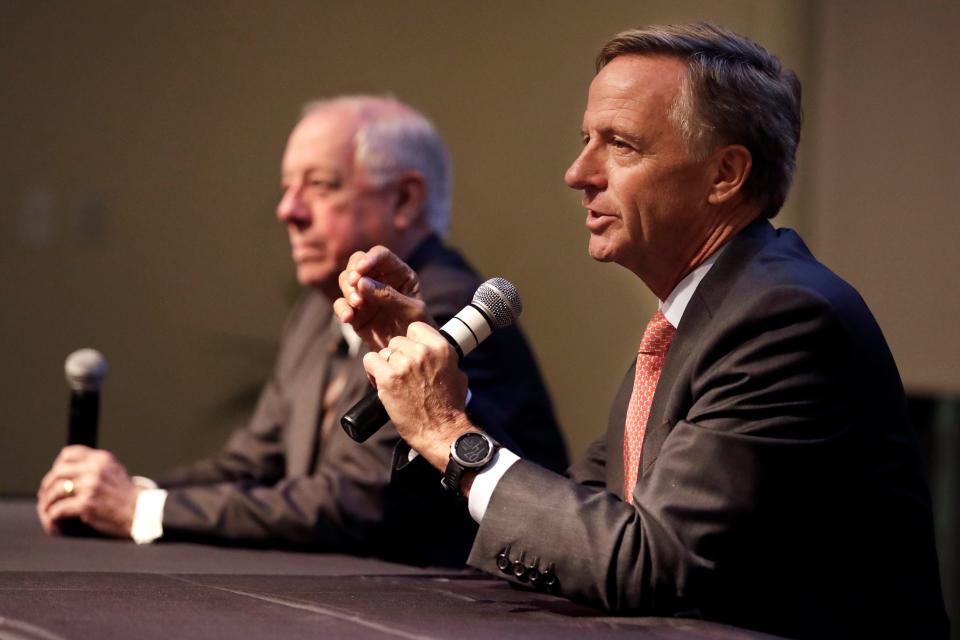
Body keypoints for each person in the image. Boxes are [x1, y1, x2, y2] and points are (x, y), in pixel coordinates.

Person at [333, 25, 948, 638]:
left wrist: (448, 432)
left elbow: (652, 563)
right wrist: (425, 398)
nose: (578, 173)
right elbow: (579, 535)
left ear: (725, 174)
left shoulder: (782, 319)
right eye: (585, 141)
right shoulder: (698, 317)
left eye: (620, 146)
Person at [35, 95, 566, 567]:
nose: (287, 210)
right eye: (288, 187)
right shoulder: (321, 307)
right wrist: (124, 492)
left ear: (404, 199)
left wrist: (140, 509)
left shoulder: (446, 312)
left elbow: (357, 501)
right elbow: (255, 461)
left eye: (318, 185)